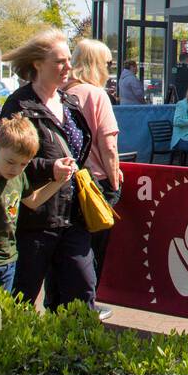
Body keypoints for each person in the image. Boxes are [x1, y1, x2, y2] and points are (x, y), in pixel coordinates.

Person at [1, 30, 97, 311]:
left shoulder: (70, 102)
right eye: (59, 61)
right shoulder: (19, 105)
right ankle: (6, 347)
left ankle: (76, 351)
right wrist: (48, 168)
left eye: (69, 60)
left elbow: (81, 153)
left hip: (73, 214)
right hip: (34, 218)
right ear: (37, 64)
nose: (68, 67)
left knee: (81, 288)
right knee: (21, 295)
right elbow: (6, 158)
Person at [0, 113, 74, 293]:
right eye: (10, 162)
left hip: (8, 260)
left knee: (1, 317)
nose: (16, 169)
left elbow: (33, 201)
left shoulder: (18, 176)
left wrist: (59, 181)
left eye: (23, 164)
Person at [66, 38, 124, 308]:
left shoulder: (61, 93)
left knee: (71, 247)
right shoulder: (96, 94)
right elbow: (109, 145)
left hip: (65, 181)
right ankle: (87, 304)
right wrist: (114, 181)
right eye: (108, 63)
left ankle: (66, 305)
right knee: (94, 248)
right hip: (96, 182)